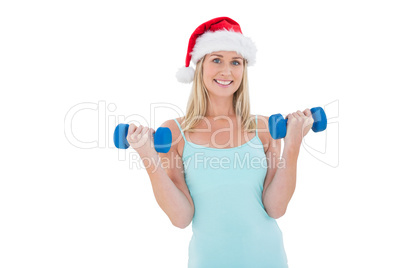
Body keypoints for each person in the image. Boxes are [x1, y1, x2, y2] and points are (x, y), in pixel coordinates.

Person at [126, 17, 314, 268]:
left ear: (243, 70)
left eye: (235, 62)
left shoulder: (264, 128)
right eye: (217, 60)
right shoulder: (174, 132)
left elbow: (275, 208)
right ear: (201, 66)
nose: (227, 71)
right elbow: (181, 218)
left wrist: (293, 144)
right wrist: (147, 155)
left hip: (268, 259)